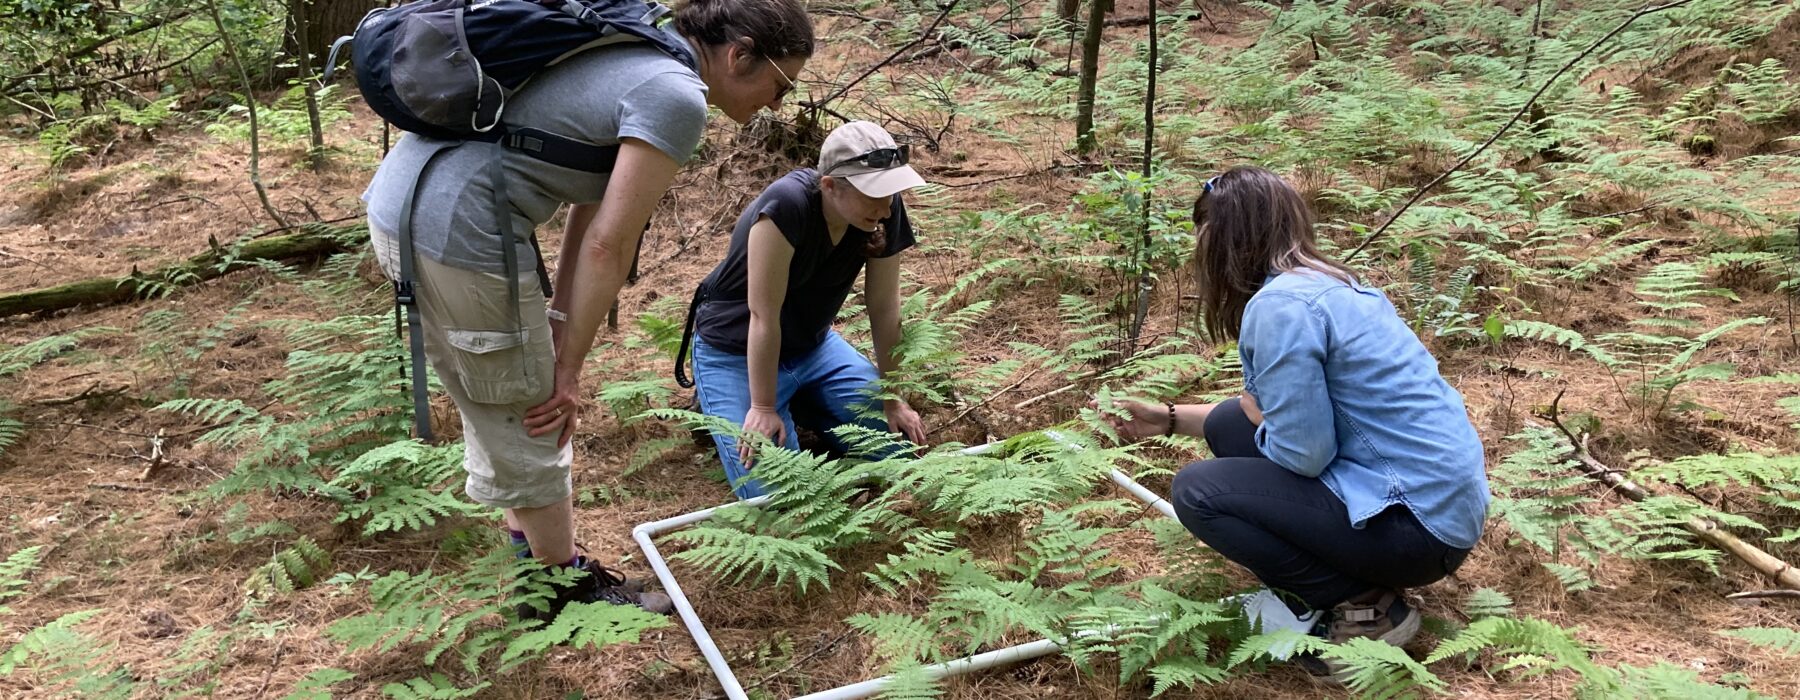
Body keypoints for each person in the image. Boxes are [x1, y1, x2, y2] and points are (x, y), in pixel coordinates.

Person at [361, 0, 814, 619]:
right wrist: (567, 369)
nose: (779, 105)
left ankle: (539, 566)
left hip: (416, 201)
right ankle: (562, 592)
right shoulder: (676, 95)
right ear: (738, 56)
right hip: (456, 225)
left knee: (509, 396)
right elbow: (609, 245)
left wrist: (558, 320)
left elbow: (589, 206)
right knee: (534, 405)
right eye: (781, 85)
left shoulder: (640, 46)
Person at [1099, 166, 1489, 679]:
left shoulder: (1280, 307)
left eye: (1202, 228)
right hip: (1438, 509)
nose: (1198, 244)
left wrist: (1261, 415)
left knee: (1198, 492)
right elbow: (1260, 415)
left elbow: (1305, 454)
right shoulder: (1332, 285)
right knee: (1227, 424)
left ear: (1224, 235)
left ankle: (1366, 607)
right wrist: (1167, 419)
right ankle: (1354, 574)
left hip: (1414, 529)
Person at [684, 121, 930, 499]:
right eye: (874, 194)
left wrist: (891, 395)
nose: (885, 208)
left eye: (891, 192)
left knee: (896, 448)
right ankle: (737, 400)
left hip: (812, 347)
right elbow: (763, 315)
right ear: (830, 186)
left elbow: (884, 307)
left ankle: (805, 400)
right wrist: (763, 405)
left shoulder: (883, 208)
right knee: (777, 488)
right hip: (734, 351)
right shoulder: (786, 206)